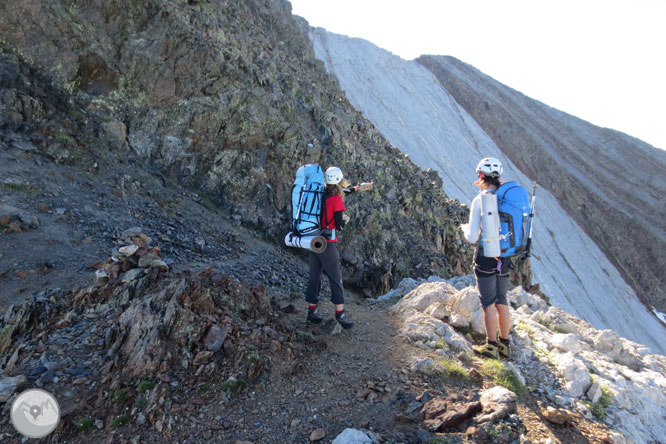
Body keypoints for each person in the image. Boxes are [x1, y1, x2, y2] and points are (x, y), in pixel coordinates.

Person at [305, 166, 372, 329]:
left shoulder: (320, 193)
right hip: (328, 243)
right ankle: (340, 314)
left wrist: (357, 188)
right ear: (338, 180)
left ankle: (311, 313)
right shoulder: (336, 200)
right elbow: (339, 225)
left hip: (314, 240)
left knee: (315, 276)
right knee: (336, 277)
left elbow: (343, 192)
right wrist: (345, 220)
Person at [460, 157, 511, 359]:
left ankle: (490, 346)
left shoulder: (480, 200)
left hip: (485, 256)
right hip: (505, 255)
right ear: (498, 177)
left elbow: (472, 236)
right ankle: (505, 345)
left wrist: (463, 229)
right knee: (502, 300)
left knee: (488, 302)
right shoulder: (506, 198)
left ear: (481, 176)